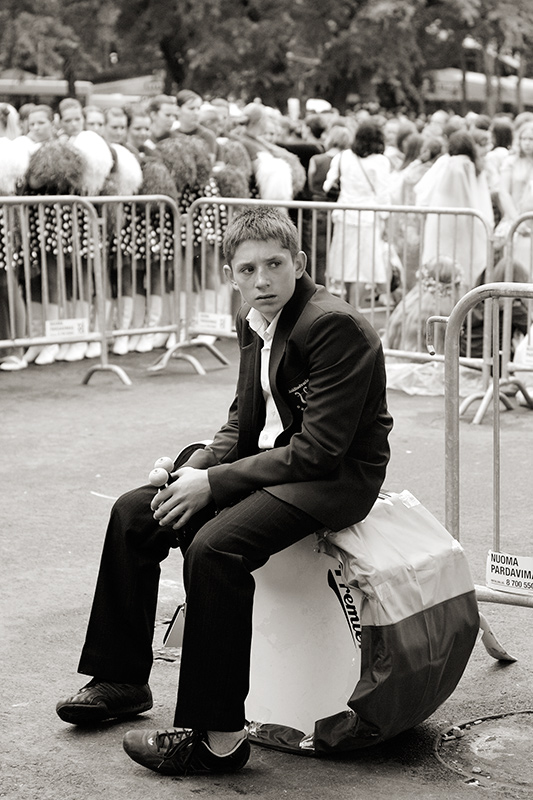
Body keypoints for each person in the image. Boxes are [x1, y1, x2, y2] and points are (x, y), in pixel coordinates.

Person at [56, 207, 393, 777]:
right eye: (248, 270)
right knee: (135, 512)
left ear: (299, 263)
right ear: (231, 276)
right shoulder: (254, 319)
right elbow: (243, 421)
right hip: (273, 465)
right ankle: (121, 680)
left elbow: (319, 451)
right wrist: (192, 468)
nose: (262, 280)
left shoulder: (333, 326)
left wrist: (213, 483)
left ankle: (218, 739)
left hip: (332, 481)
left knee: (216, 548)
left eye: (274, 265)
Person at [323, 119, 391, 305]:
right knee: (362, 268)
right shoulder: (381, 162)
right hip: (368, 217)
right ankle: (354, 308)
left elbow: (327, 185)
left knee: (346, 264)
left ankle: (347, 305)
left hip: (344, 215)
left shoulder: (342, 157)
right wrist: (385, 221)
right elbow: (383, 194)